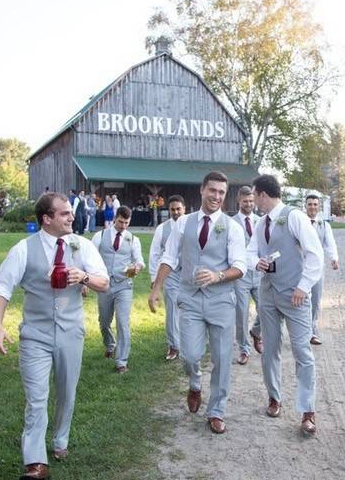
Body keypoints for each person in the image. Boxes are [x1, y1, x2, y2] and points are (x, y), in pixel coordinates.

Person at [0, 192, 109, 480]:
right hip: (35, 335)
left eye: (71, 213)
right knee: (36, 398)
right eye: (65, 214)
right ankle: (35, 461)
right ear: (47, 219)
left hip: (71, 333)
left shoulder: (81, 246)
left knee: (66, 392)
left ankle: (59, 439)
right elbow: (2, 287)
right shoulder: (22, 249)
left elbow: (104, 283)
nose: (72, 217)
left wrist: (83, 277)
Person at [148, 171, 245, 435]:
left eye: (222, 192)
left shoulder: (232, 227)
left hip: (221, 301)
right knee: (190, 355)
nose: (216, 196)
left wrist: (218, 275)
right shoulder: (183, 224)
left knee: (223, 359)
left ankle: (216, 410)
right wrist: (156, 288)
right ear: (202, 190)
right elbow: (169, 257)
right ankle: (194, 382)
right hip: (189, 298)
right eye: (212, 190)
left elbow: (240, 266)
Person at [247, 174, 324, 436]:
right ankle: (274, 397)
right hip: (268, 293)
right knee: (270, 349)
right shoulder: (260, 225)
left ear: (262, 195)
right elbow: (249, 251)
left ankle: (307, 411)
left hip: (295, 295)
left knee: (303, 352)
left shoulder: (294, 217)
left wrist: (303, 286)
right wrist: (255, 262)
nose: (253, 201)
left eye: (254, 196)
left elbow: (315, 254)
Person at [92, 205, 145, 373]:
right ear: (115, 218)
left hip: (124, 286)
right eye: (121, 222)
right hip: (105, 284)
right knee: (104, 321)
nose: (123, 226)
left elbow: (140, 261)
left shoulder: (133, 239)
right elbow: (90, 259)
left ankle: (121, 361)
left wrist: (137, 267)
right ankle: (110, 344)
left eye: (126, 223)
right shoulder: (100, 236)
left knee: (123, 323)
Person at [149, 195, 186, 360]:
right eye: (172, 209)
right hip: (170, 274)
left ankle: (192, 341)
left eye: (178, 209)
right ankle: (174, 346)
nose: (176, 212)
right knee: (172, 309)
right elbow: (154, 253)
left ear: (184, 209)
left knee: (191, 309)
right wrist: (153, 279)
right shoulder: (162, 229)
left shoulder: (191, 225)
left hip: (189, 274)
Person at [231, 186, 262, 364]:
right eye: (245, 201)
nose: (249, 204)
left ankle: (256, 332)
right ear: (239, 201)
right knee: (241, 313)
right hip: (240, 275)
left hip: (259, 273)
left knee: (266, 308)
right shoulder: (230, 222)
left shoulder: (261, 220)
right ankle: (244, 348)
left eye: (251, 200)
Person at [304, 194, 339, 346]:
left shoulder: (324, 225)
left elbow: (330, 243)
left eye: (315, 204)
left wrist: (334, 258)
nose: (312, 207)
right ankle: (301, 332)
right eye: (310, 204)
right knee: (300, 300)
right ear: (305, 206)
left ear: (319, 207)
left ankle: (312, 332)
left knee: (315, 300)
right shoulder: (300, 223)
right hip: (301, 268)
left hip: (317, 268)